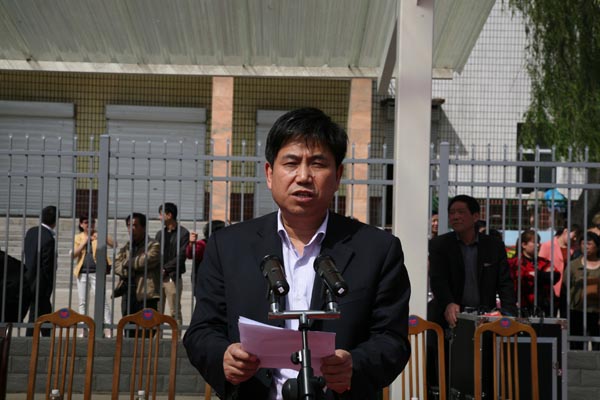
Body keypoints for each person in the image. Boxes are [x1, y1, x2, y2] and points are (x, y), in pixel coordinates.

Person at [183, 107, 411, 400]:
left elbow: (392, 339)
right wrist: (224, 356)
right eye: (291, 163)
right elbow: (201, 331)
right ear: (269, 173)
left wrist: (355, 365)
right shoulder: (227, 247)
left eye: (317, 164)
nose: (303, 176)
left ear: (338, 175)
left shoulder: (378, 249)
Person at [428, 195, 516, 396]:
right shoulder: (440, 245)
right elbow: (438, 280)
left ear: (476, 216)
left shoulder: (493, 245)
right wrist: (448, 303)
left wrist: (509, 315)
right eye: (452, 213)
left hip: (484, 319)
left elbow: (505, 283)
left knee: (485, 376)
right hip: (448, 319)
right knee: (447, 375)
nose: (455, 217)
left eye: (461, 212)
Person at [71, 214, 114, 337]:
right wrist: (84, 242)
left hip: (97, 273)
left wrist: (102, 237)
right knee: (83, 302)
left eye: (92, 222)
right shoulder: (78, 237)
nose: (90, 225)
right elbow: (73, 254)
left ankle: (108, 328)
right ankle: (83, 329)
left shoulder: (99, 235)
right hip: (82, 273)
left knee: (102, 301)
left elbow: (114, 244)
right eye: (86, 222)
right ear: (81, 224)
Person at [114, 213, 161, 319]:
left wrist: (126, 263)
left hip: (146, 294)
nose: (131, 229)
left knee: (146, 326)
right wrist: (130, 267)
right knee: (127, 324)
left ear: (143, 228)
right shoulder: (127, 247)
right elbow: (116, 265)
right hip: (128, 293)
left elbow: (145, 261)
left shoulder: (153, 245)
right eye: (129, 225)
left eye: (135, 225)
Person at [508, 230, 560, 317]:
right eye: (534, 242)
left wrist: (537, 274)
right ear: (524, 245)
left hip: (544, 307)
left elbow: (555, 276)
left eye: (538, 242)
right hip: (522, 306)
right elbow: (520, 278)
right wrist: (542, 275)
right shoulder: (514, 263)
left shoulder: (544, 262)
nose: (538, 245)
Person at [23, 205, 57, 336]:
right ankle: (33, 339)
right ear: (55, 220)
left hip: (28, 278)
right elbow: (47, 264)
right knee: (37, 314)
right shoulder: (48, 238)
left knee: (42, 313)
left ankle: (46, 337)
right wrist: (49, 283)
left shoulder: (31, 232)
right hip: (41, 283)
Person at [155, 202, 189, 330]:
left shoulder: (183, 233)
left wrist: (166, 269)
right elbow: (155, 254)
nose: (159, 217)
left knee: (174, 311)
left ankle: (177, 338)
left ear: (169, 215)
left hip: (172, 277)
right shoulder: (160, 234)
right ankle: (156, 337)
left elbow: (181, 256)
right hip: (158, 277)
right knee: (157, 311)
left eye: (161, 214)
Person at [569, 232, 600, 350]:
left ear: (597, 246)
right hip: (577, 311)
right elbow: (566, 285)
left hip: (597, 312)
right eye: (583, 243)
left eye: (589, 244)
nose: (585, 247)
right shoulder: (573, 265)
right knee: (577, 343)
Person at [538, 225, 574, 316]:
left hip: (567, 287)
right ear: (566, 231)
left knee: (566, 316)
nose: (575, 239)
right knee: (551, 315)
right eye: (574, 235)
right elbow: (540, 264)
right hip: (551, 287)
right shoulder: (548, 245)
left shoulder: (574, 248)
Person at [186, 219, 226, 287]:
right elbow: (190, 254)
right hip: (204, 283)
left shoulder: (223, 244)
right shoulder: (203, 244)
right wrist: (191, 244)